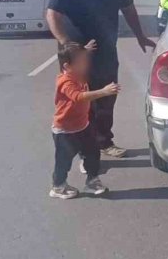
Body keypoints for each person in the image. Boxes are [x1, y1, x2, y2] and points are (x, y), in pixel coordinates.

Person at [46, 0, 156, 161]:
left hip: (106, 51)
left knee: (106, 99)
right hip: (76, 58)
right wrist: (69, 46)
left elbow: (128, 8)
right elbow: (52, 15)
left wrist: (140, 35)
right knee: (78, 101)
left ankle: (103, 141)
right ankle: (81, 148)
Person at [50, 42, 120, 199]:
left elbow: (79, 59)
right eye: (82, 62)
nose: (86, 63)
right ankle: (58, 186)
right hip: (65, 131)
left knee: (93, 153)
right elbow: (78, 97)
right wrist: (103, 91)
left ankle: (92, 180)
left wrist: (84, 51)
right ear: (67, 66)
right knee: (64, 161)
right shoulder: (65, 81)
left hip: (83, 126)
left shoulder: (78, 73)